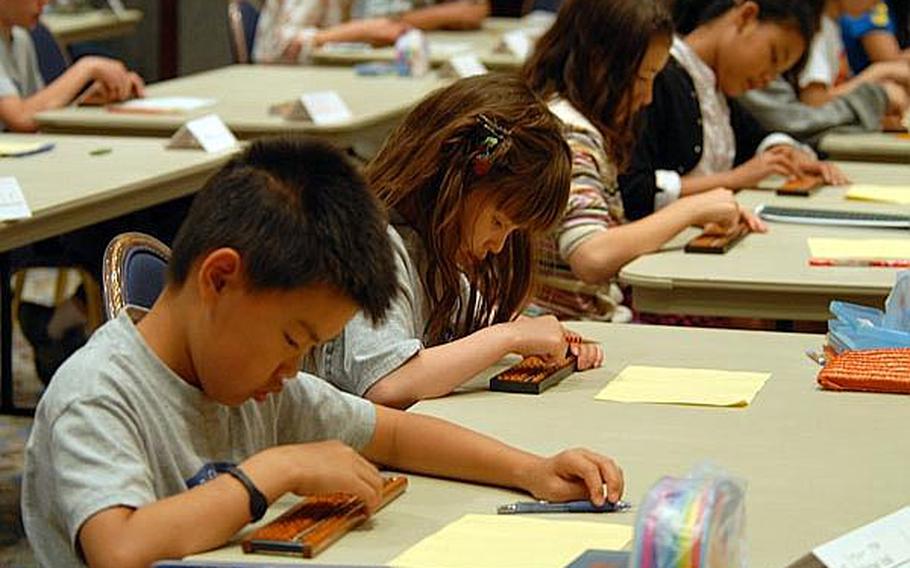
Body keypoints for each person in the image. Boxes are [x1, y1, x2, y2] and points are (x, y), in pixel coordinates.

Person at [22, 136, 625, 568]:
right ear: (220, 279)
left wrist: (532, 470)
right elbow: (117, 547)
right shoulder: (99, 392)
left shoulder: (254, 380)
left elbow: (393, 436)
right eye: (292, 340)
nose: (293, 370)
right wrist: (272, 471)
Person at [314, 74, 603, 409]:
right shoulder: (375, 243)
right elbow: (386, 383)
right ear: (453, 179)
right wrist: (511, 337)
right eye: (498, 222)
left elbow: (481, 320)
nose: (498, 246)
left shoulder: (428, 249)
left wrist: (545, 337)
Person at [521, 0, 763, 322]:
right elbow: (590, 255)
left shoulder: (566, 119)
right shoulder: (572, 136)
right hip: (575, 328)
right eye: (642, 78)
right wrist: (689, 209)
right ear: (599, 63)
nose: (647, 97)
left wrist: (694, 216)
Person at [619, 0, 848, 223]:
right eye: (773, 57)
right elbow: (634, 190)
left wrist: (785, 153)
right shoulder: (659, 78)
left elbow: (756, 137)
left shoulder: (715, 86)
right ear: (746, 16)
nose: (768, 78)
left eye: (778, 72)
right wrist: (733, 179)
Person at [0, 0, 144, 132]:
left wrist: (84, 102)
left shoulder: (21, 38)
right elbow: (21, 118)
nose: (44, 2)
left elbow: (37, 115)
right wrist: (87, 67)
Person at [253, 0, 488, 63]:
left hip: (332, 73)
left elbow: (473, 10)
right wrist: (357, 32)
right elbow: (274, 48)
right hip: (287, 81)